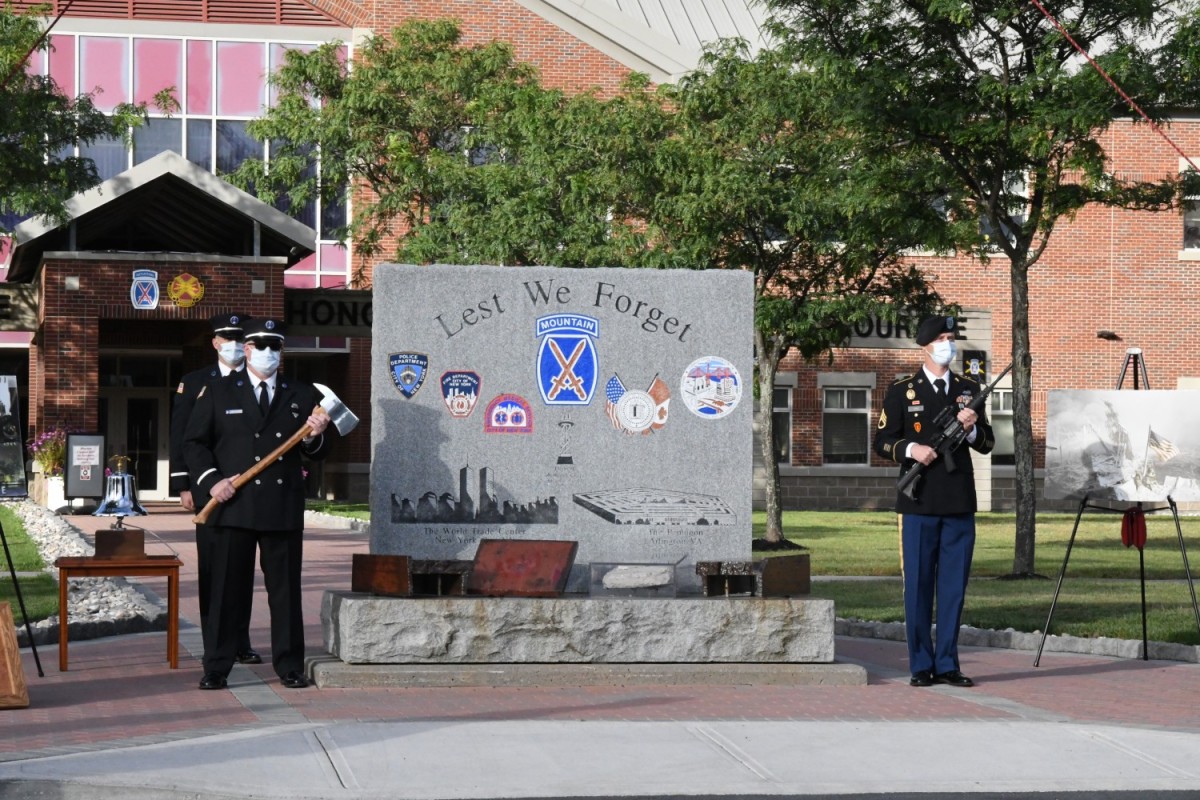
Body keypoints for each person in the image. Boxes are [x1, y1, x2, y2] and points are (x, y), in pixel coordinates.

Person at [184, 317, 330, 690]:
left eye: (275, 347)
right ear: (246, 349)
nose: (268, 353)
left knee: (284, 592)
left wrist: (316, 436)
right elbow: (194, 443)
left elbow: (318, 452)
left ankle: (290, 665)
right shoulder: (217, 391)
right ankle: (216, 665)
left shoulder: (301, 395)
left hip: (280, 506)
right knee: (225, 593)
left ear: (282, 353)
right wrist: (212, 483)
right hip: (232, 504)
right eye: (260, 346)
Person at [873, 315, 994, 688]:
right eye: (941, 338)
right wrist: (913, 448)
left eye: (951, 337)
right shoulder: (902, 390)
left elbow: (988, 443)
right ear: (925, 345)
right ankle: (921, 665)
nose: (948, 343)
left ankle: (947, 664)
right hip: (919, 501)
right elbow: (881, 442)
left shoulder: (969, 389)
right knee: (920, 587)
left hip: (958, 502)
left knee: (954, 588)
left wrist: (971, 427)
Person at [169, 312, 260, 666]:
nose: (234, 345)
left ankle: (241, 640)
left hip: (247, 490)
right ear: (215, 343)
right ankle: (215, 641)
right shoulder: (195, 382)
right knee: (213, 569)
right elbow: (182, 435)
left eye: (241, 339)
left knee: (241, 570)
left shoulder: (257, 382)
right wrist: (183, 483)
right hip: (208, 489)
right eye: (228, 339)